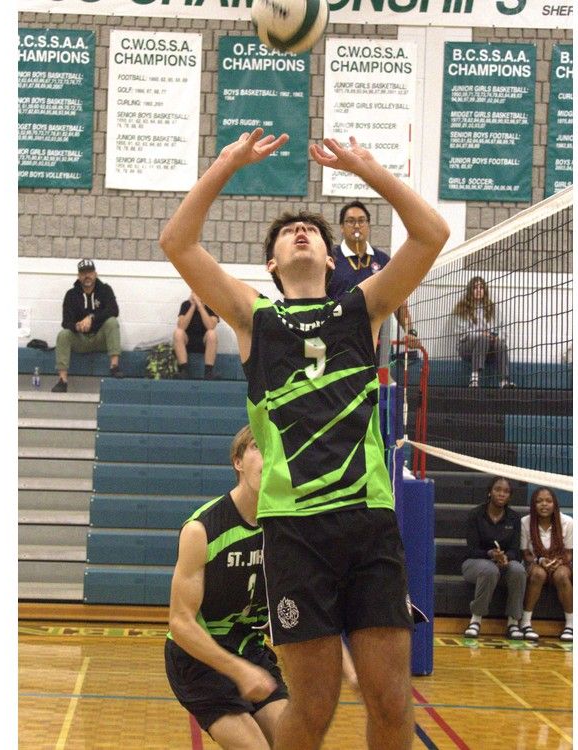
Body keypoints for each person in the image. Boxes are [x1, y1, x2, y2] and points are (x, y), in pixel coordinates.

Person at [159, 128, 450, 750]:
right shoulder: (253, 317)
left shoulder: (361, 309)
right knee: (313, 708)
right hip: (295, 534)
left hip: (367, 522)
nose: (302, 233)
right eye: (288, 232)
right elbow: (176, 241)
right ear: (271, 264)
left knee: (391, 702)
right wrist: (227, 164)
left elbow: (432, 234)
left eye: (312, 231)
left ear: (329, 255)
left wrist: (371, 172)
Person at [165, 426, 289, 749]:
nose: (268, 457)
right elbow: (180, 624)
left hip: (249, 649)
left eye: (273, 450)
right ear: (238, 462)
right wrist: (239, 672)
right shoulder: (201, 530)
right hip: (198, 659)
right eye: (258, 449)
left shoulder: (285, 529)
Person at [327, 200, 419, 349]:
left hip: (374, 342)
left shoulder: (382, 260)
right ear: (342, 228)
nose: (357, 225)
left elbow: (399, 301)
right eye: (350, 221)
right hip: (336, 340)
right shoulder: (330, 258)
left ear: (368, 226)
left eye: (361, 221)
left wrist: (410, 331)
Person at [459, 476, 526, 640]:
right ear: (489, 492)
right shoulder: (476, 514)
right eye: (498, 489)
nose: (501, 494)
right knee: (489, 569)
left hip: (502, 563)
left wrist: (506, 557)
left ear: (510, 496)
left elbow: (516, 551)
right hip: (474, 563)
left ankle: (513, 622)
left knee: (518, 569)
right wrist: (490, 554)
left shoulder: (514, 518)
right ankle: (476, 620)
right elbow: (471, 549)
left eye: (506, 491)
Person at [51, 259, 126, 392]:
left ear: (95, 274)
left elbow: (114, 310)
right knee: (63, 335)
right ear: (79, 276)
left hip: (101, 339)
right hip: (81, 340)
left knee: (112, 322)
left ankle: (114, 366)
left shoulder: (105, 290)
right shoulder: (71, 295)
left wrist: (92, 318)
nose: (87, 276)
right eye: (83, 273)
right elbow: (65, 322)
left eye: (90, 272)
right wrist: (77, 326)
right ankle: (62, 380)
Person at [518, 487, 574, 642]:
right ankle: (525, 622)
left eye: (548, 501)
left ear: (555, 504)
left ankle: (571, 624)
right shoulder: (525, 522)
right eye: (539, 501)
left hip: (561, 561)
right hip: (535, 562)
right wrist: (540, 561)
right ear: (533, 504)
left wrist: (559, 562)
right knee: (538, 574)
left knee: (562, 575)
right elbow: (526, 554)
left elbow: (569, 553)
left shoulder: (568, 522)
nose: (544, 504)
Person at [447, 276, 515, 388]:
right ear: (470, 290)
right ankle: (474, 379)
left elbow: (503, 328)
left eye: (481, 287)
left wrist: (497, 337)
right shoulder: (462, 308)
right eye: (475, 287)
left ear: (485, 290)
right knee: (483, 339)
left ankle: (504, 381)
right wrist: (481, 334)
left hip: (489, 349)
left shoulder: (493, 308)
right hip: (467, 348)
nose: (479, 290)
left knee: (501, 344)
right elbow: (461, 334)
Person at [174, 290, 220, 379]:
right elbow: (181, 326)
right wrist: (192, 306)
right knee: (178, 332)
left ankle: (208, 372)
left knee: (212, 333)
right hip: (187, 342)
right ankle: (184, 370)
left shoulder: (212, 305)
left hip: (205, 342)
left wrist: (200, 307)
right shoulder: (185, 305)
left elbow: (211, 326)